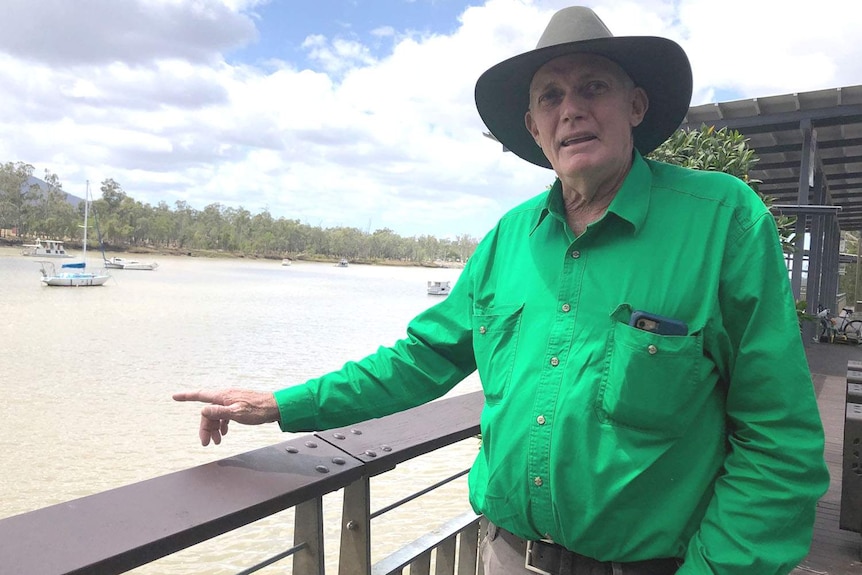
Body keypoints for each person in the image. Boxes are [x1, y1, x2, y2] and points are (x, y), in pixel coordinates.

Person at [174, 6, 829, 575]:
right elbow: (416, 362)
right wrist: (279, 403)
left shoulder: (722, 222)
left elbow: (780, 444)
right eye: (550, 97)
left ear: (634, 106)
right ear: (535, 129)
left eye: (592, 86)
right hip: (504, 555)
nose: (570, 107)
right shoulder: (507, 240)